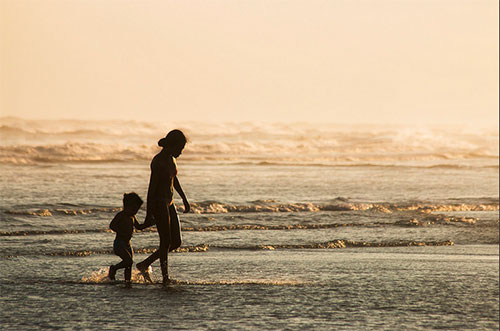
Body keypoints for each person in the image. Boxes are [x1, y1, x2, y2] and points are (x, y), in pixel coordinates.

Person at [136, 130, 188, 285]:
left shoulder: (172, 158)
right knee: (165, 241)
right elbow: (152, 188)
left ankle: (145, 264)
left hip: (170, 202)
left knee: (176, 241)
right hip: (159, 202)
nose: (180, 152)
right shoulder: (158, 161)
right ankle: (165, 277)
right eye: (179, 149)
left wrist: (184, 198)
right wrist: (149, 213)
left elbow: (174, 178)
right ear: (172, 145)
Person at [108, 192, 143, 284]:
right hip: (119, 243)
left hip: (128, 244)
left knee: (129, 265)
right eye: (133, 209)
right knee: (129, 261)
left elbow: (139, 227)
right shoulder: (121, 215)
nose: (135, 212)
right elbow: (112, 225)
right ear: (126, 206)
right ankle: (114, 268)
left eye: (136, 210)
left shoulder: (132, 217)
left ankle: (128, 281)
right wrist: (121, 231)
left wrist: (151, 222)